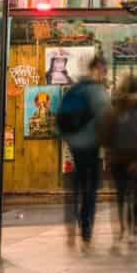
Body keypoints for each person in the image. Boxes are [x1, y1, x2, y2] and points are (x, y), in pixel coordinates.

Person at [96, 74, 137, 240]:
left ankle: (121, 228)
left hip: (118, 160)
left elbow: (104, 136)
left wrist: (110, 153)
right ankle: (134, 229)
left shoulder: (115, 110)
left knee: (121, 194)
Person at [57, 58, 111, 244]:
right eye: (103, 70)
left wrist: (69, 136)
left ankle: (72, 221)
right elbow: (106, 119)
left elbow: (60, 118)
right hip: (91, 144)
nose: (104, 74)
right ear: (97, 69)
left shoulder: (74, 89)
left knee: (77, 182)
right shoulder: (97, 91)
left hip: (74, 144)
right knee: (91, 186)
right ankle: (86, 224)